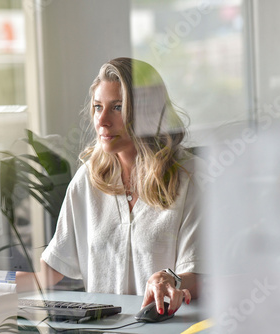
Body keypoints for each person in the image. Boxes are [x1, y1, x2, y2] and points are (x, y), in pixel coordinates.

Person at [17, 57, 202, 316]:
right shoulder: (87, 180)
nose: (102, 120)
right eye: (97, 107)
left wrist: (169, 279)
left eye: (117, 107)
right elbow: (49, 274)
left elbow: (202, 274)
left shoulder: (190, 177)